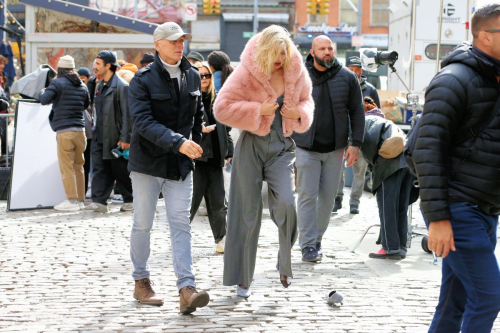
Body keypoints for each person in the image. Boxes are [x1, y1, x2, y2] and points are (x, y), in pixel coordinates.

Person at [413, 4, 500, 332]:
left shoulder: (494, 77)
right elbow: (427, 151)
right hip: (458, 207)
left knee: (454, 300)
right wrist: (437, 218)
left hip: (485, 209)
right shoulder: (452, 80)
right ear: (484, 37)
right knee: (489, 296)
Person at [214, 25, 314, 297]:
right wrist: (258, 109)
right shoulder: (247, 72)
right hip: (251, 145)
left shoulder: (296, 71)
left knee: (285, 203)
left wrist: (298, 112)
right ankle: (242, 278)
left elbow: (308, 101)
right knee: (246, 212)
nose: (281, 57)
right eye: (276, 52)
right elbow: (221, 108)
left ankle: (285, 263)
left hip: (282, 146)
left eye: (285, 51)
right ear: (265, 50)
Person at [128, 22, 210, 314]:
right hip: (147, 164)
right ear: (158, 43)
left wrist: (193, 143)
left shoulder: (191, 74)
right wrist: (179, 142)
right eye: (174, 40)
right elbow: (143, 122)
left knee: (180, 224)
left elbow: (197, 114)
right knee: (143, 223)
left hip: (179, 165)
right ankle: (141, 281)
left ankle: (186, 289)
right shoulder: (142, 79)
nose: (180, 44)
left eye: (183, 40)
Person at [292, 35, 365, 262]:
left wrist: (356, 144)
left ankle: (316, 240)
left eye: (330, 48)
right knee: (306, 195)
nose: (327, 52)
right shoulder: (298, 77)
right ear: (312, 52)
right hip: (305, 146)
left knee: (327, 198)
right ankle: (307, 245)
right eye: (322, 48)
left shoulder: (347, 78)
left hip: (335, 148)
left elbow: (357, 111)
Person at [190, 61, 233, 253]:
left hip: (215, 158)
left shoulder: (218, 99)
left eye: (207, 75)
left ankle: (222, 239)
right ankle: (178, 237)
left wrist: (229, 151)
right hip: (195, 158)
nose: (204, 79)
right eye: (200, 76)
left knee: (218, 202)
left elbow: (227, 129)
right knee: (191, 202)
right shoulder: (189, 99)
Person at [83, 50, 133, 213]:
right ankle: (99, 201)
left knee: (119, 169)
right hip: (99, 135)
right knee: (99, 168)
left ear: (108, 65)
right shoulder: (100, 85)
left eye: (98, 64)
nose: (94, 67)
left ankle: (130, 199)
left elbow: (127, 114)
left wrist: (125, 137)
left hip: (115, 136)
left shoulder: (121, 86)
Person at [39, 55, 90, 211]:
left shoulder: (57, 83)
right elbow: (86, 104)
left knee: (67, 167)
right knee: (79, 166)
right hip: (81, 131)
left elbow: (44, 100)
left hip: (65, 131)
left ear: (60, 69)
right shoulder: (82, 85)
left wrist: (43, 91)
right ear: (73, 69)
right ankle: (81, 200)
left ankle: (71, 201)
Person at [333, 56, 381, 214]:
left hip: (362, 136)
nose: (353, 72)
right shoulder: (340, 86)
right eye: (350, 69)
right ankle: (337, 199)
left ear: (361, 70)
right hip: (341, 134)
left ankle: (354, 202)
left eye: (356, 69)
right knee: (337, 169)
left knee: (359, 171)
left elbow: (378, 113)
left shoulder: (370, 90)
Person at [361, 115, 412, 259]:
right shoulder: (383, 122)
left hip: (389, 165)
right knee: (400, 207)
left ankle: (390, 247)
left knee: (387, 207)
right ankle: (401, 246)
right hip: (407, 163)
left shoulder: (365, 122)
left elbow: (369, 143)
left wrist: (373, 166)